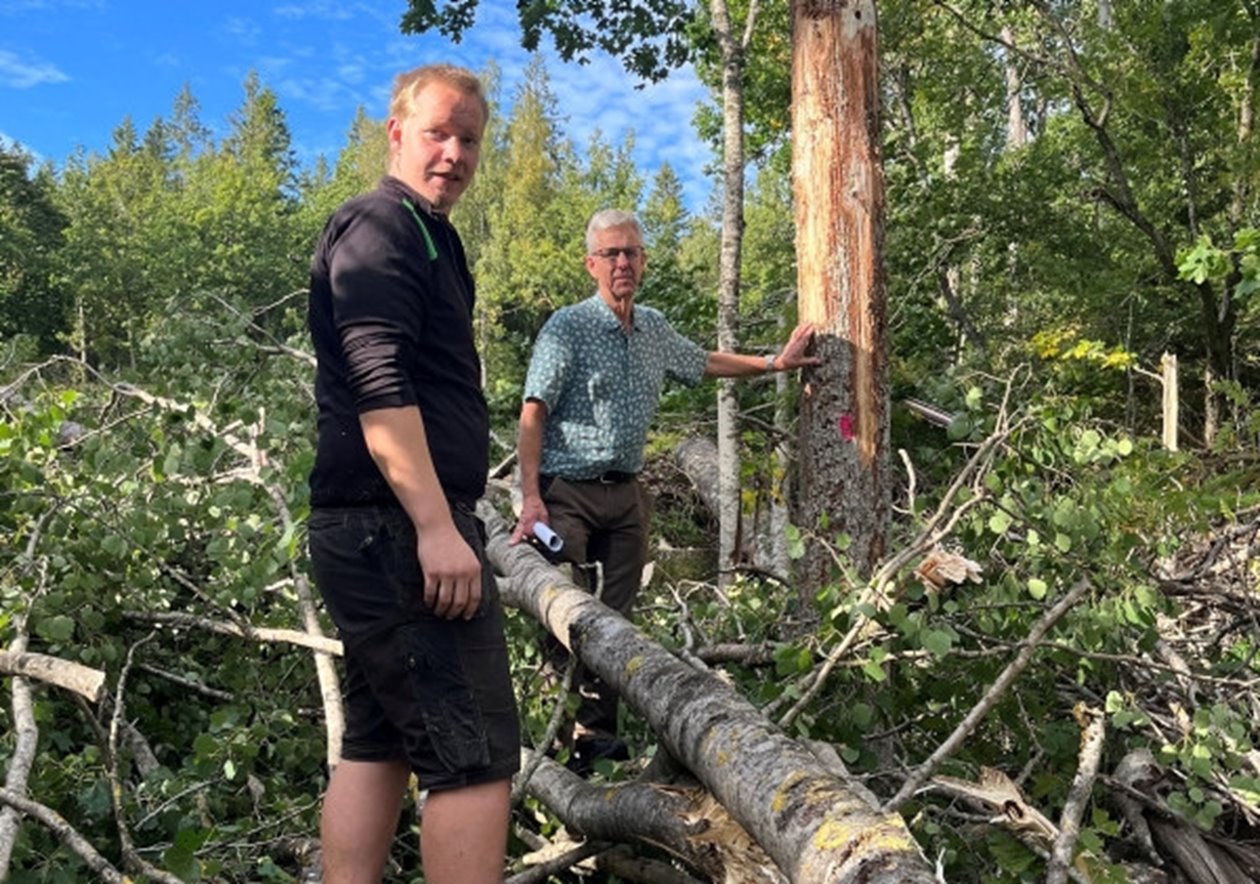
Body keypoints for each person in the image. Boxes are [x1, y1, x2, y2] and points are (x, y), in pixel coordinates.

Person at [306, 64, 518, 884]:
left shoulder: (428, 234)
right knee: (474, 756)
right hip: (394, 529)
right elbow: (377, 379)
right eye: (439, 132)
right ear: (396, 133)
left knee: (380, 739)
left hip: (372, 528)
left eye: (470, 138)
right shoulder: (381, 224)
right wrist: (436, 526)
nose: (455, 152)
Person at [509, 208, 818, 771]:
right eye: (610, 254)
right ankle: (556, 730)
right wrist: (531, 499)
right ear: (591, 264)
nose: (622, 263)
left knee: (616, 620)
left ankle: (596, 743)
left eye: (631, 252)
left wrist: (775, 362)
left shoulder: (651, 329)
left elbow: (703, 362)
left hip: (626, 495)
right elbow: (533, 413)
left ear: (643, 261)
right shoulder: (568, 328)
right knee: (564, 610)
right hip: (566, 491)